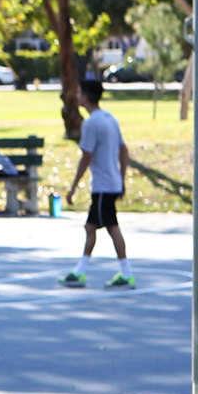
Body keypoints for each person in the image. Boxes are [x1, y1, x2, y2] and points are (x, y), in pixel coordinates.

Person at [62, 76, 133, 288]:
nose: (77, 96)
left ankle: (126, 273)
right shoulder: (110, 118)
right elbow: (124, 150)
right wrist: (121, 179)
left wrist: (73, 187)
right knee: (91, 227)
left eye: (79, 93)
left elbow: (86, 156)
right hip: (110, 183)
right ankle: (80, 271)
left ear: (85, 96)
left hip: (102, 186)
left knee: (111, 227)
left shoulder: (92, 123)